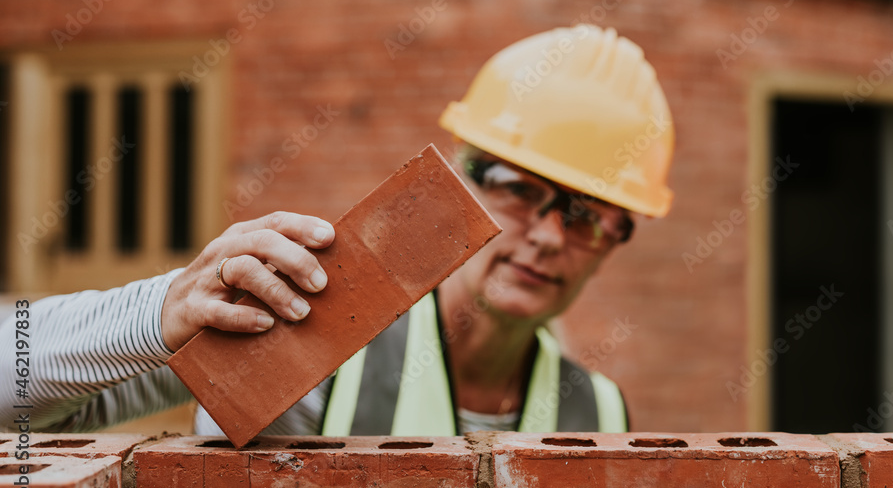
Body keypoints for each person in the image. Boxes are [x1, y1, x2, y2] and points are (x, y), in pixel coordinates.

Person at [0, 24, 674, 436]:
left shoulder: (600, 416)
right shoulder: (319, 328)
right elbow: (16, 397)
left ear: (617, 239)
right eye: (522, 190)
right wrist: (161, 312)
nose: (551, 237)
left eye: (589, 214)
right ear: (463, 179)